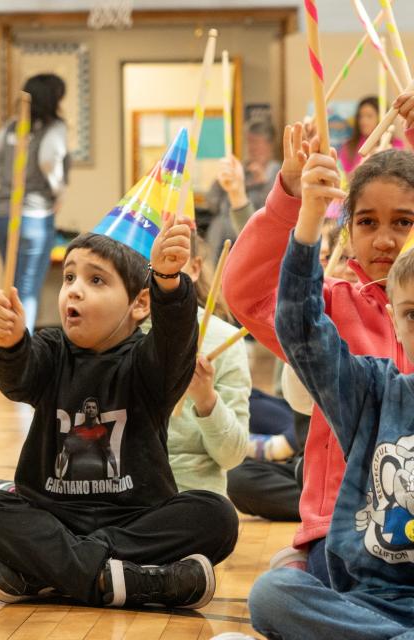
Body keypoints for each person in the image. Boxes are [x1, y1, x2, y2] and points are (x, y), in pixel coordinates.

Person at [0, 217, 238, 608]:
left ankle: (44, 572)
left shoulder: (149, 364)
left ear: (139, 304)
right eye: (69, 278)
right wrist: (9, 344)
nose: (74, 292)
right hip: (52, 514)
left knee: (217, 515)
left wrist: (168, 282)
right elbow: (17, 380)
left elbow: (175, 343)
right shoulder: (50, 350)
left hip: (135, 520)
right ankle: (136, 581)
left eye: (96, 281)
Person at [223, 119, 414, 584]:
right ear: (348, 229)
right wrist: (292, 198)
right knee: (276, 594)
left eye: (404, 222)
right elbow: (248, 294)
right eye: (367, 222)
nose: (385, 239)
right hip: (341, 533)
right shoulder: (328, 305)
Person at [150, 234, 250, 495]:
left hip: (194, 498)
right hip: (127, 496)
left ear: (194, 268)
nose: (158, 271)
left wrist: (206, 399)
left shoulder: (226, 341)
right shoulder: (118, 335)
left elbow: (233, 456)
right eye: (147, 264)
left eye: (170, 260)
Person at [0, 73, 69, 333]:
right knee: (27, 288)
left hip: (0, 213)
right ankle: (22, 350)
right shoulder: (55, 127)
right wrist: (58, 191)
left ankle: (11, 344)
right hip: (34, 215)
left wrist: (6, 181)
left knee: (12, 282)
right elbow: (47, 158)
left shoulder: (13, 125)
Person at [206, 120, 281, 250]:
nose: (252, 148)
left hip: (251, 241)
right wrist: (221, 182)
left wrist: (264, 184)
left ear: (270, 145)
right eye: (249, 142)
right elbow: (211, 201)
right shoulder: (239, 169)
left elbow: (272, 216)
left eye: (257, 142)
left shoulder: (278, 174)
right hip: (219, 238)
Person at [338, 95, 402, 176]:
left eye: (369, 116)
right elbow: (345, 181)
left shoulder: (396, 145)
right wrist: (365, 162)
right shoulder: (349, 146)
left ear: (382, 118)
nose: (363, 121)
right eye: (361, 116)